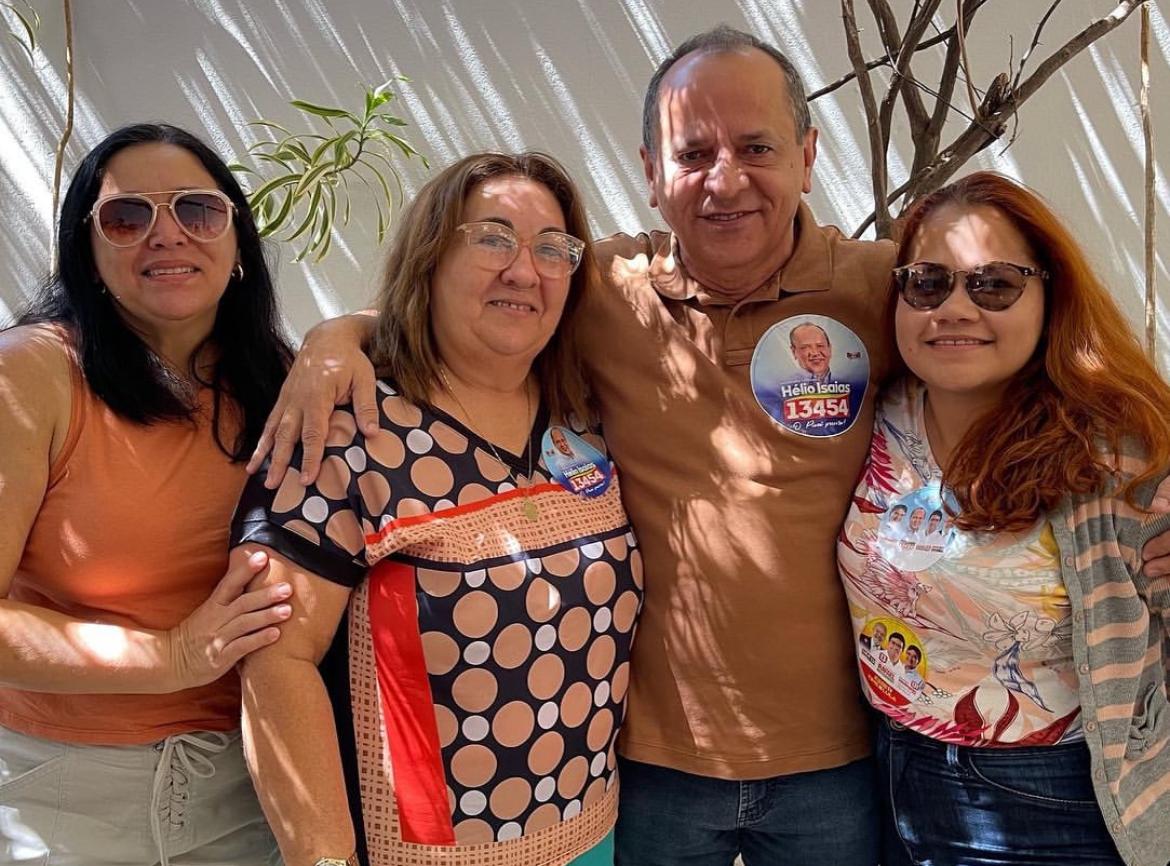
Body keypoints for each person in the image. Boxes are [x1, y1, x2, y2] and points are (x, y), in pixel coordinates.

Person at [245, 26, 1170, 866]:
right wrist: (336, 338)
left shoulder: (888, 289)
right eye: (694, 153)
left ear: (808, 157)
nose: (726, 181)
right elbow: (480, 296)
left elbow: (1039, 356)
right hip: (649, 768)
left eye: (757, 148)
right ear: (653, 172)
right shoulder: (600, 288)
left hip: (841, 763)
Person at [229, 152, 641, 866]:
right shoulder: (346, 429)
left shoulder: (584, 415)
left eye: (553, 249)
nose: (524, 271)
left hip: (591, 838)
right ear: (430, 259)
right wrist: (323, 857)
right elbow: (276, 659)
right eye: (492, 239)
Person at [838, 171, 1170, 866]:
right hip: (882, 776)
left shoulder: (1116, 458)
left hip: (1049, 800)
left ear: (1050, 295)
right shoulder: (875, 414)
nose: (954, 308)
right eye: (928, 283)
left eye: (993, 284)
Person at [0, 123, 293, 865]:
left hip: (248, 787)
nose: (168, 234)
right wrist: (174, 656)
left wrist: (343, 337)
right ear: (88, 255)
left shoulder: (274, 377)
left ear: (236, 240)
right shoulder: (32, 374)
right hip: (66, 793)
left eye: (197, 209)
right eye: (127, 217)